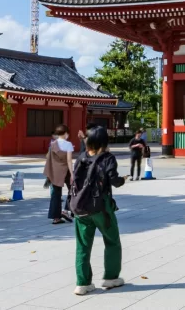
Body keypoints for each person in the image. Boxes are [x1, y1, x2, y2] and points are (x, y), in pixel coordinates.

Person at [71, 126, 126, 295]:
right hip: (101, 208)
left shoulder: (81, 158)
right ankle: (111, 277)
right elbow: (114, 180)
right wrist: (123, 180)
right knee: (112, 241)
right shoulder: (107, 158)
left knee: (82, 246)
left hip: (80, 207)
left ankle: (82, 283)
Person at [43, 125, 74, 225]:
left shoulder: (53, 144)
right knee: (73, 189)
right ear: (65, 133)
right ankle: (66, 210)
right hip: (66, 170)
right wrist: (72, 173)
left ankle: (56, 218)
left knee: (55, 195)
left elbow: (48, 157)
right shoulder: (68, 144)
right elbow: (69, 160)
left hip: (55, 171)